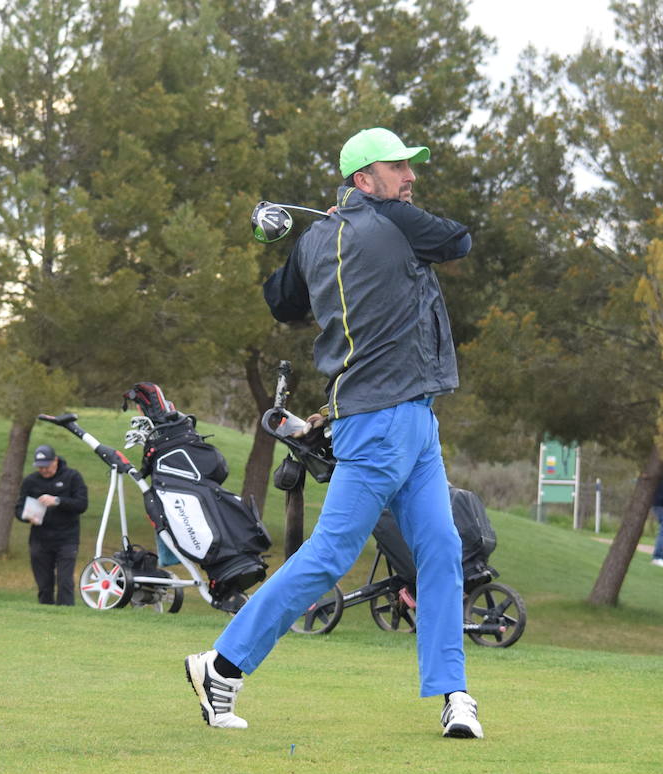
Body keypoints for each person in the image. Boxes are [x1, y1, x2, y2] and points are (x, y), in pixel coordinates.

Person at [184, 127, 481, 738]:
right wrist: (369, 220)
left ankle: (454, 694)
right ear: (363, 179)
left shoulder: (321, 235)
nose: (412, 178)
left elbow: (283, 304)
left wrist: (333, 231)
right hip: (377, 423)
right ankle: (221, 664)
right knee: (328, 558)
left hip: (415, 422)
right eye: (398, 167)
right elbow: (459, 239)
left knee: (442, 551)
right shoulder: (395, 220)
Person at [15, 444, 88, 605]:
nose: (44, 470)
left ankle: (66, 614)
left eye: (47, 466)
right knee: (44, 583)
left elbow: (82, 504)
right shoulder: (31, 481)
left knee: (64, 581)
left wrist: (57, 501)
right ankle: (45, 612)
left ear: (55, 461)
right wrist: (27, 517)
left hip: (67, 538)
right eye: (40, 467)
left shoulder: (72, 477)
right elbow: (19, 508)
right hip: (40, 538)